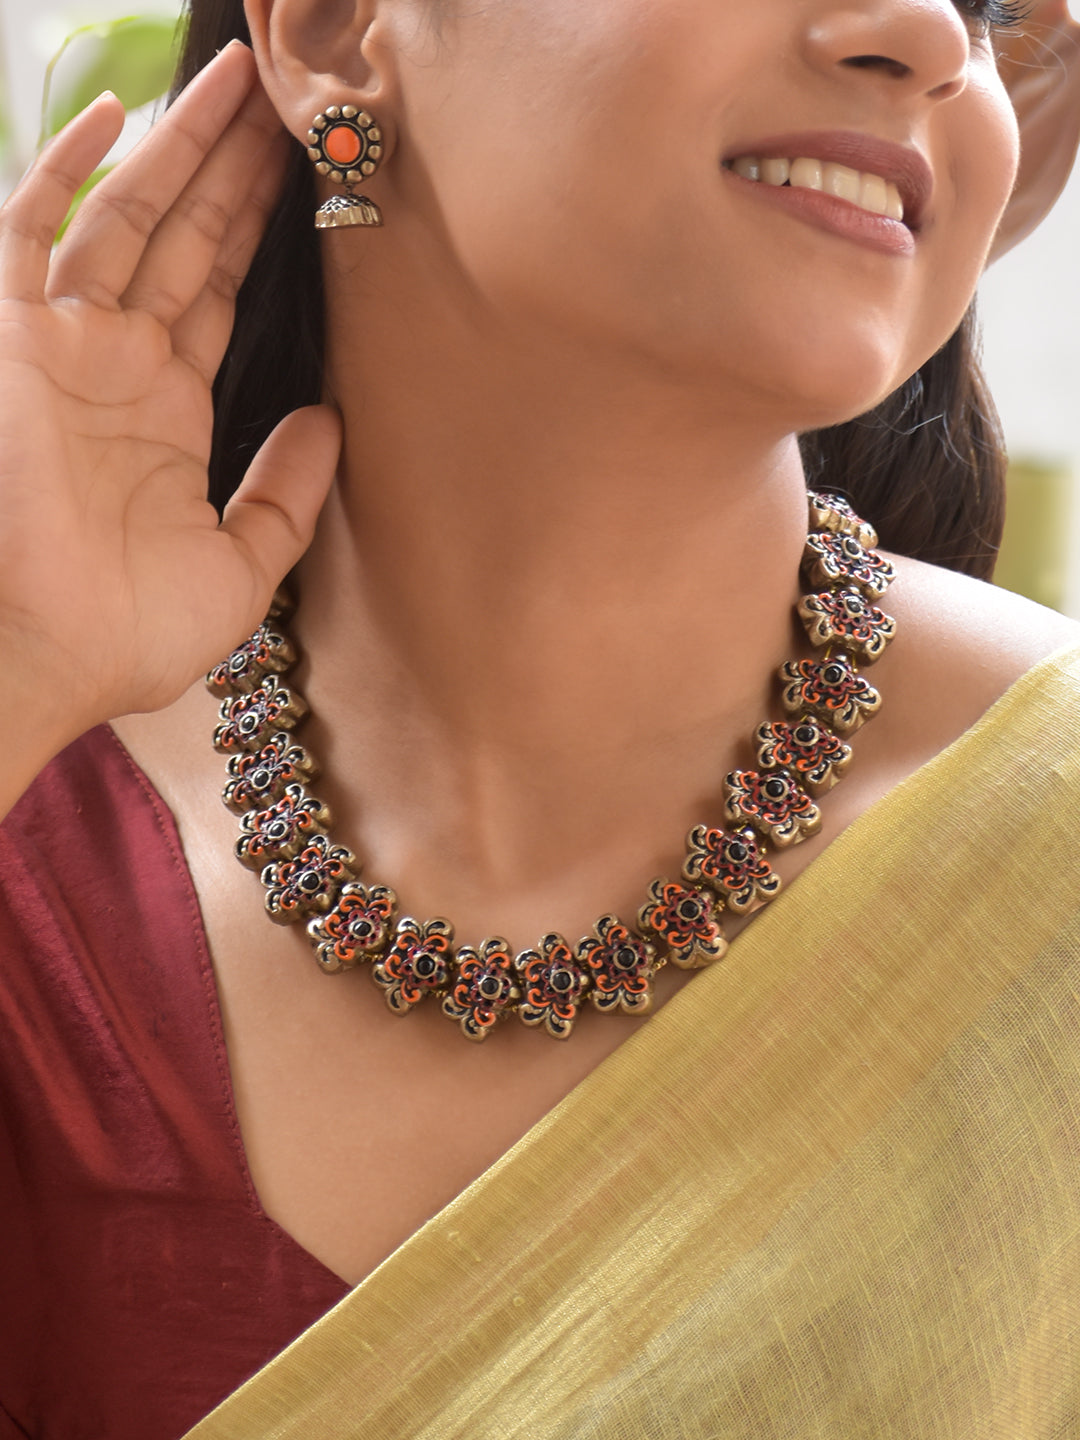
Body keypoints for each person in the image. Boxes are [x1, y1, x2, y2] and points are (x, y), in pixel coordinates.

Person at [1, 0, 1079, 1435]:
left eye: (986, 2)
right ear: (332, 34)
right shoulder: (39, 798)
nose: (928, 38)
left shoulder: (1044, 869)